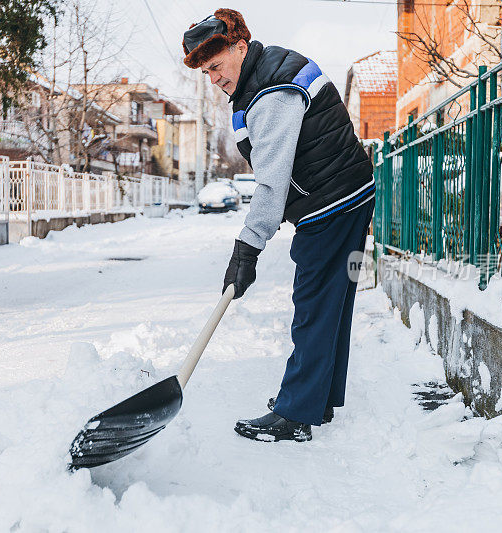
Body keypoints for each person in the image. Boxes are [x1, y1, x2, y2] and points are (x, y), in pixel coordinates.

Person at [182, 9, 376, 442]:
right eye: (205, 72)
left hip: (333, 203)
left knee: (314, 303)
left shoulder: (270, 91)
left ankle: (296, 413)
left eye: (215, 66)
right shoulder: (264, 76)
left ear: (240, 47)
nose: (212, 78)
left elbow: (271, 182)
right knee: (331, 303)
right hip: (348, 194)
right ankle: (317, 399)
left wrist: (247, 248)